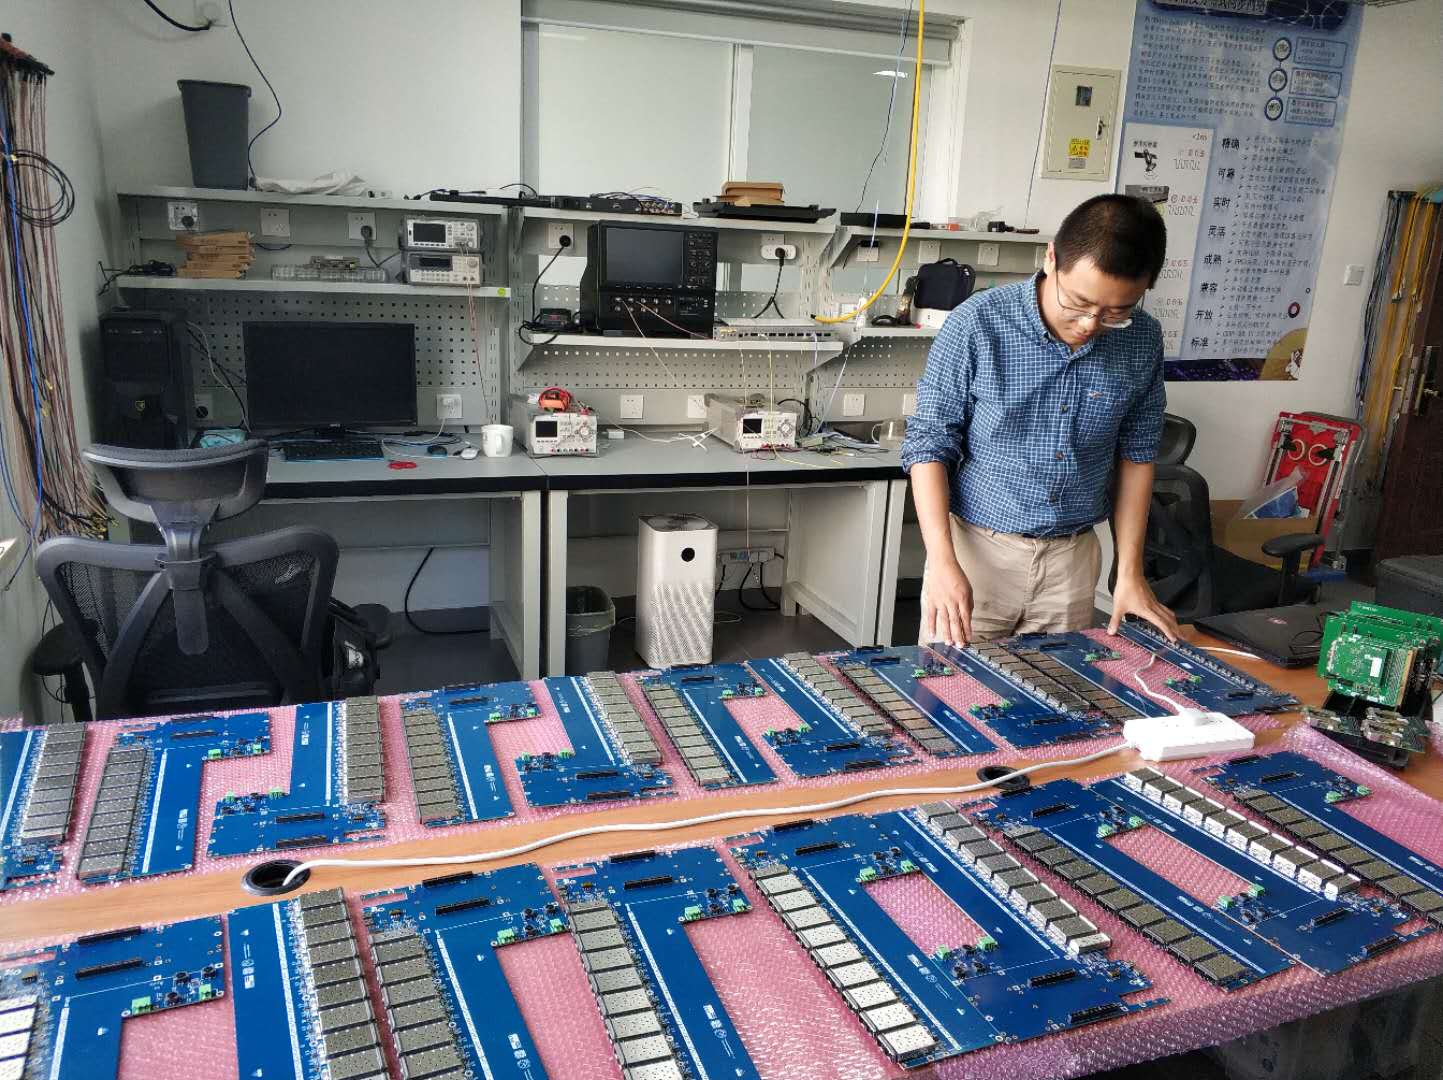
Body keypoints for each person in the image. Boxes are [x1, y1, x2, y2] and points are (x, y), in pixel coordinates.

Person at [900, 193, 1181, 646]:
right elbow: (929, 444)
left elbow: (1138, 454)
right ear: (1052, 258)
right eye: (1079, 302)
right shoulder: (977, 324)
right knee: (951, 684)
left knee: (1058, 687)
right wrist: (942, 563)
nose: (1090, 324)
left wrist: (1129, 572)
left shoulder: (1142, 339)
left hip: (1072, 562)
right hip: (976, 553)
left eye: (1116, 312)